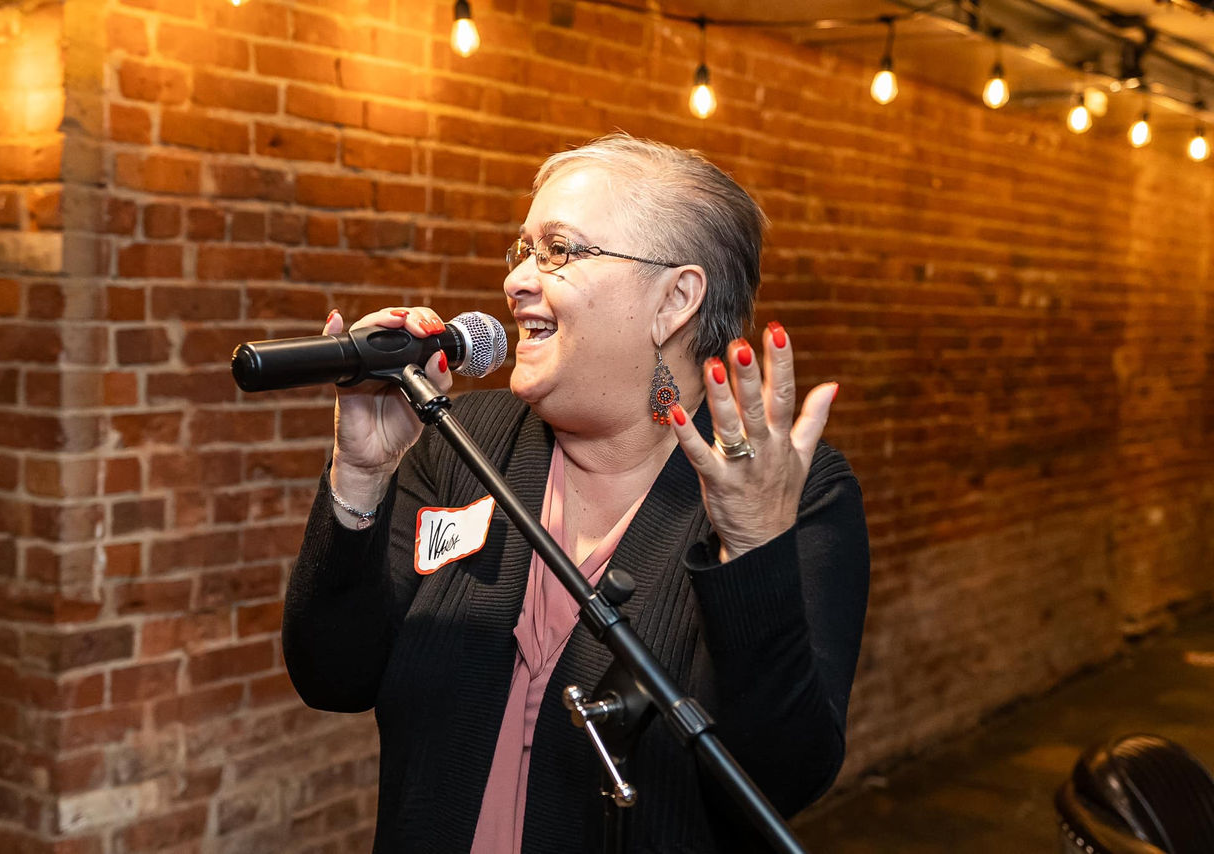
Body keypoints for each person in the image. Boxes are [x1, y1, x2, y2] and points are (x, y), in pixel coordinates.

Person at [282, 133, 869, 854]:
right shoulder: (459, 442)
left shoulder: (796, 496)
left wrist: (752, 546)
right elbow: (334, 675)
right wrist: (361, 476)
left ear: (675, 299)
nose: (519, 281)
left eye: (559, 251)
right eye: (522, 250)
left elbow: (780, 778)